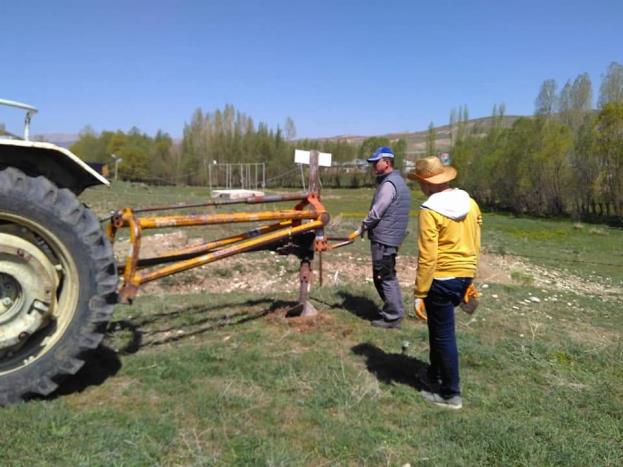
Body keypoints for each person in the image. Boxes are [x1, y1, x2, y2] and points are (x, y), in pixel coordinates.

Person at [408, 156, 481, 410]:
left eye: (419, 182)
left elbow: (428, 255)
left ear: (427, 183)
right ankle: (433, 375)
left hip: (440, 278)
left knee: (443, 335)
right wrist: (470, 275)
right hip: (463, 275)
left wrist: (420, 292)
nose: (420, 188)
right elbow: (476, 239)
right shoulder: (470, 203)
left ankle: (451, 394)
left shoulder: (429, 210)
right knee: (439, 333)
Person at [356, 146, 412, 328]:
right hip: (391, 237)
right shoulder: (399, 181)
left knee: (383, 276)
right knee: (386, 274)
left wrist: (363, 227)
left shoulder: (389, 184)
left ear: (386, 163)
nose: (373, 166)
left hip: (384, 239)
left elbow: (377, 211)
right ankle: (393, 310)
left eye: (375, 163)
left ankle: (393, 316)